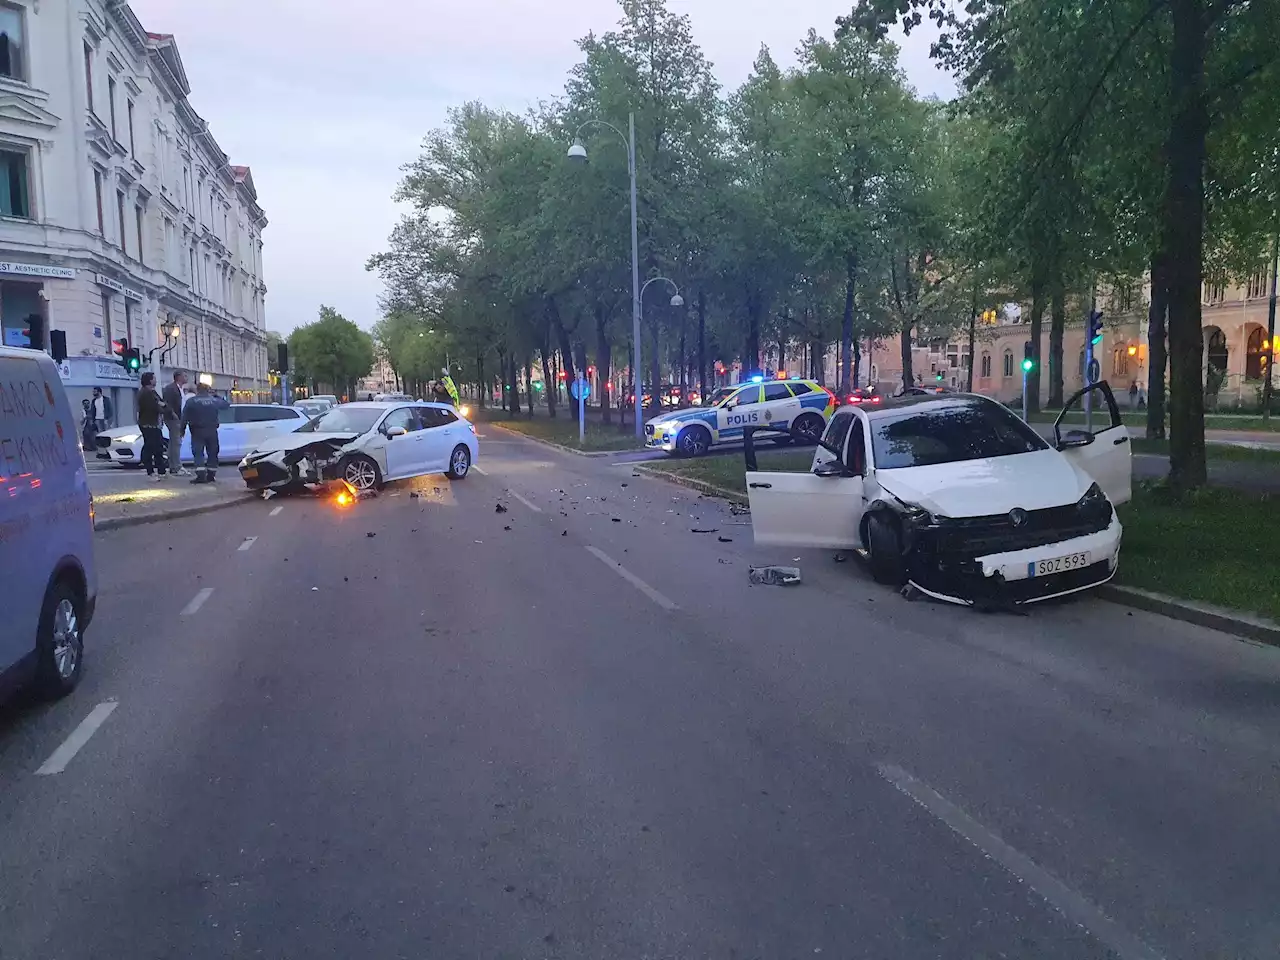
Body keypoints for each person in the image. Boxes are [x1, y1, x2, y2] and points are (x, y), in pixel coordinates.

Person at [180, 382, 229, 483]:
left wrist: (182, 430)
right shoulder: (214, 400)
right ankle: (211, 475)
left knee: (198, 453)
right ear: (208, 390)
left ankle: (201, 476)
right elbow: (226, 405)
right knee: (213, 452)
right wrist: (216, 395)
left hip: (197, 431)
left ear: (197, 390)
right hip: (212, 430)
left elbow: (184, 417)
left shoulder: (191, 401)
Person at [136, 372, 169, 480]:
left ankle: (161, 471)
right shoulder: (145, 393)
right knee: (150, 448)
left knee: (158, 448)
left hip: (155, 424)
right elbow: (155, 406)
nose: (155, 380)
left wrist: (163, 405)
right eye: (154, 378)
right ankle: (150, 472)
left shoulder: (153, 392)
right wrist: (162, 406)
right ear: (149, 380)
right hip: (147, 424)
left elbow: (162, 403)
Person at [163, 370, 189, 476]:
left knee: (174, 443)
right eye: (185, 376)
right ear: (178, 377)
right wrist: (174, 415)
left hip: (178, 418)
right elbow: (167, 404)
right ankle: (176, 466)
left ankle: (173, 465)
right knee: (176, 442)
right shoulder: (171, 388)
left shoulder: (179, 389)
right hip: (173, 419)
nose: (186, 378)